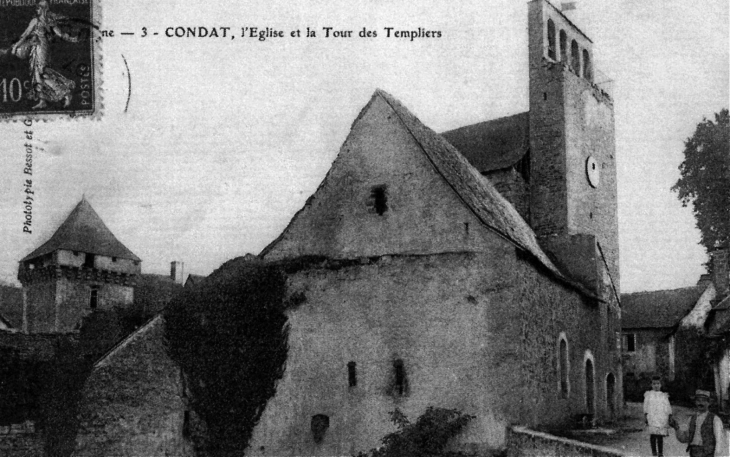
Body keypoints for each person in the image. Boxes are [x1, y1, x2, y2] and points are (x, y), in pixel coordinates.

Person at [10, 0, 79, 109]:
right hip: (40, 48)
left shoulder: (36, 21)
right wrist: (71, 38)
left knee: (42, 73)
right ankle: (43, 101)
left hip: (40, 48)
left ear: (43, 9)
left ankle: (65, 93)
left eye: (38, 8)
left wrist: (15, 46)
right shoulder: (49, 20)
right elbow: (60, 34)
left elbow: (25, 35)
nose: (36, 10)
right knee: (37, 74)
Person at [671, 389, 726, 457]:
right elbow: (685, 438)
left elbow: (719, 441)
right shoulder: (691, 419)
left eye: (704, 400)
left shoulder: (715, 419)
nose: (700, 403)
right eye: (698, 400)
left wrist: (717, 454)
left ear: (709, 403)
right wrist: (676, 428)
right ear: (695, 402)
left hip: (707, 454)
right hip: (694, 453)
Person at [644, 375, 673, 457]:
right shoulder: (648, 395)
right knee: (653, 434)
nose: (656, 385)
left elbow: (667, 406)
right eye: (654, 384)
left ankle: (660, 452)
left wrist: (669, 415)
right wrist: (645, 416)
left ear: (661, 385)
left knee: (660, 435)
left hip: (661, 417)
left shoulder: (664, 395)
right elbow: (646, 406)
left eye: (658, 383)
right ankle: (654, 452)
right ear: (651, 385)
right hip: (652, 417)